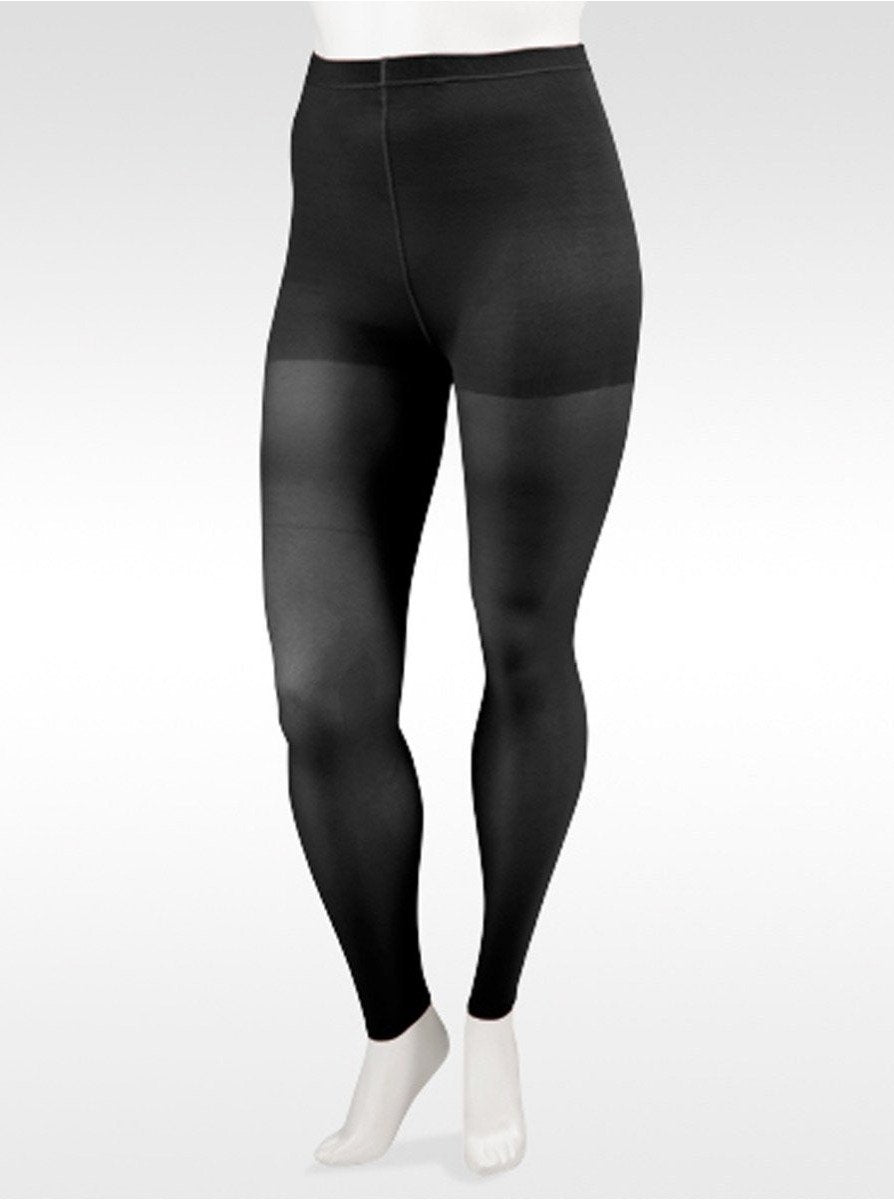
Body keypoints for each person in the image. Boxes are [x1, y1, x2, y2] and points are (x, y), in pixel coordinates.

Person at [259, 0, 641, 1175]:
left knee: (522, 641)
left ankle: (491, 1015)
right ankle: (397, 1025)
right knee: (318, 692)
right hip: (337, 201)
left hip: (534, 190)